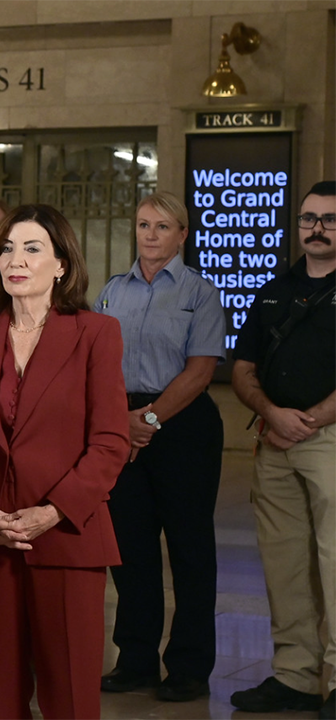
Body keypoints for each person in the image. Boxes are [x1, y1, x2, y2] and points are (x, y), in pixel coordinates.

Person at [0, 204, 130, 719]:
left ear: (62, 263)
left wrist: (52, 511)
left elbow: (110, 442)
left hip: (66, 537)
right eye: (6, 248)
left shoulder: (96, 333)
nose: (14, 259)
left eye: (32, 247)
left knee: (69, 697)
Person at [95, 191, 225, 702]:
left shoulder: (201, 293)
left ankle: (190, 666)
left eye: (163, 226)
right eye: (144, 224)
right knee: (130, 549)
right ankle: (136, 660)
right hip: (121, 423)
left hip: (183, 427)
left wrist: (147, 419)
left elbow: (200, 371)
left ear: (182, 235)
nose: (150, 234)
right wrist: (121, 422)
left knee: (190, 549)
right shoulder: (111, 292)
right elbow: (97, 363)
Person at [230, 180, 336, 719]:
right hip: (274, 440)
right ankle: (295, 676)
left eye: (330, 219)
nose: (316, 228)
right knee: (284, 564)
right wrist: (271, 414)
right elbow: (243, 367)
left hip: (329, 439)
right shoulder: (273, 289)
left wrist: (312, 419)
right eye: (308, 218)